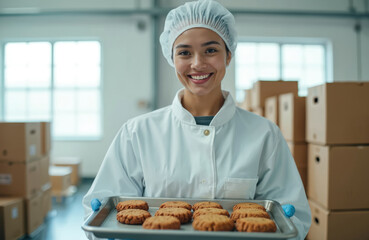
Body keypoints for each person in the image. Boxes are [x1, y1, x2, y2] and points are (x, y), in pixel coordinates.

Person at [82, 0, 311, 239]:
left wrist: (286, 222)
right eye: (184, 52)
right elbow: (101, 208)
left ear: (228, 56)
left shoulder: (264, 134)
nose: (198, 63)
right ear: (172, 59)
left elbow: (294, 217)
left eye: (211, 50)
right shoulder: (137, 132)